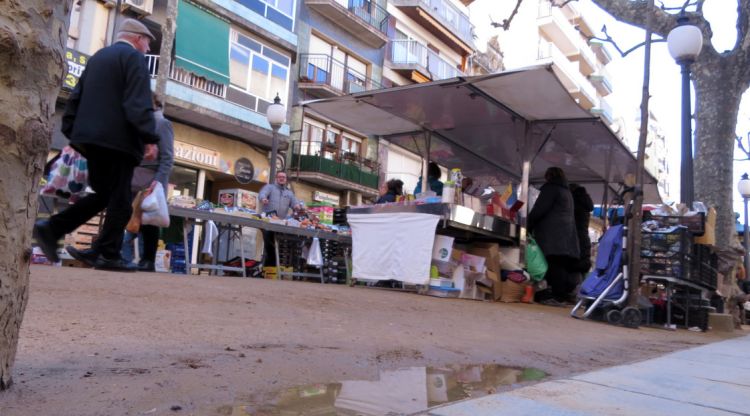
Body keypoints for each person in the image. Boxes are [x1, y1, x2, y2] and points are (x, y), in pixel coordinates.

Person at [33, 18, 159, 272]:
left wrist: (75, 134)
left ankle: (69, 235)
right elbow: (137, 103)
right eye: (147, 43)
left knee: (105, 194)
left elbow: (74, 99)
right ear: (137, 38)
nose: (147, 49)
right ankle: (108, 254)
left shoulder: (97, 58)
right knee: (121, 198)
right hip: (119, 142)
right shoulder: (133, 59)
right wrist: (149, 137)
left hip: (90, 140)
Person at [122, 96, 175, 272]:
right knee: (133, 218)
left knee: (149, 221)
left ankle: (148, 260)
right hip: (134, 178)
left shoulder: (162, 124)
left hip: (150, 180)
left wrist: (157, 182)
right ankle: (129, 257)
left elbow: (167, 158)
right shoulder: (140, 123)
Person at [527, 167, 580, 304]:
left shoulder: (551, 188)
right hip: (566, 236)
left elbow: (539, 210)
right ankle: (562, 295)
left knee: (553, 265)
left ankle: (557, 296)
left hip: (552, 235)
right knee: (560, 265)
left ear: (549, 176)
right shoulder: (566, 191)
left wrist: (528, 224)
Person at [258, 171, 303, 266]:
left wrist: (297, 206)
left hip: (281, 223)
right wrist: (263, 199)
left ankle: (272, 266)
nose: (281, 178)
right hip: (268, 221)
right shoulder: (270, 187)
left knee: (278, 244)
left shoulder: (289, 193)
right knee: (269, 243)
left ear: (286, 179)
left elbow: (295, 203)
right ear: (276, 178)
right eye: (279, 177)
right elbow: (262, 193)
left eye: (283, 177)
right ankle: (270, 265)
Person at [569, 183, 594, 279]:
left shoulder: (574, 202)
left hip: (575, 236)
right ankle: (581, 284)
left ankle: (576, 286)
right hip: (584, 235)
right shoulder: (585, 202)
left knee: (575, 262)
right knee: (582, 261)